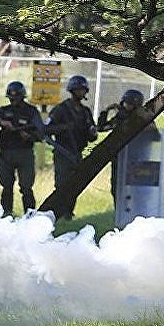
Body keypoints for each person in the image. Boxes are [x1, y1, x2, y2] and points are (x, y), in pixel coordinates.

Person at [0, 81, 43, 217]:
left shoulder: (31, 112)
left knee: (26, 187)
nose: (13, 101)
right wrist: (1, 122)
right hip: (6, 153)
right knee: (6, 186)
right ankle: (7, 213)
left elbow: (40, 133)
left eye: (16, 98)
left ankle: (30, 215)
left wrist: (28, 136)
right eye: (11, 98)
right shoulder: (3, 111)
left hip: (24, 153)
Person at [46, 74, 97, 219]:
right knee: (62, 185)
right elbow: (46, 130)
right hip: (63, 153)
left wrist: (92, 132)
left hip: (77, 153)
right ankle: (59, 213)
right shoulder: (61, 110)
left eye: (83, 90)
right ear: (72, 90)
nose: (81, 93)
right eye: (78, 90)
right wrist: (63, 127)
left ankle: (68, 213)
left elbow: (92, 136)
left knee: (75, 185)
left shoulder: (85, 112)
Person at [96, 89, 156, 198]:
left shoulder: (143, 119)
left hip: (137, 159)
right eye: (125, 103)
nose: (126, 106)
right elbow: (101, 128)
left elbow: (154, 136)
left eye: (130, 104)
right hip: (119, 159)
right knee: (117, 189)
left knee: (137, 190)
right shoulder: (119, 118)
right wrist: (105, 112)